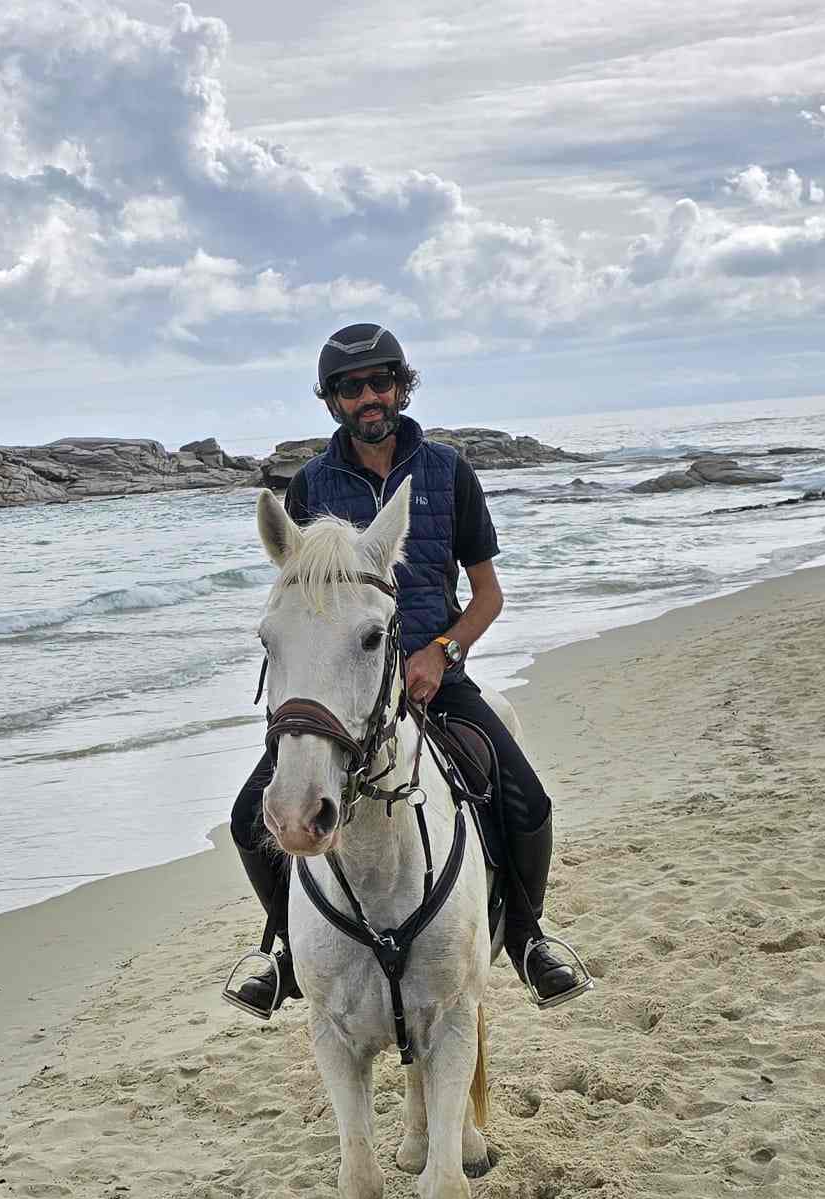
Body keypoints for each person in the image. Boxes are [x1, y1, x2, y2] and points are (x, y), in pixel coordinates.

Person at [226, 322, 591, 1018]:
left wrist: (443, 652)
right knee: (251, 814)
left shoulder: (449, 472)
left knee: (527, 801)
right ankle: (280, 951)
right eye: (350, 388)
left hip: (434, 674)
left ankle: (529, 939)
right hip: (347, 688)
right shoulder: (311, 484)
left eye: (380, 382)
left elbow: (487, 595)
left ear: (401, 386)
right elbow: (307, 603)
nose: (369, 397)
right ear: (331, 402)